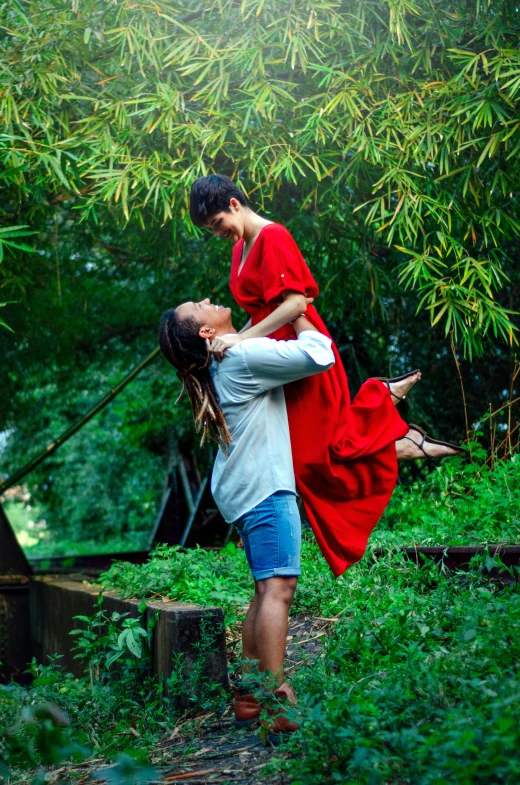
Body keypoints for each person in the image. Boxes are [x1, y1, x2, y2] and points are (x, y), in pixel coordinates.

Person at [158, 296, 463, 744]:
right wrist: (297, 310)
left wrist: (269, 306)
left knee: (264, 590)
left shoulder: (226, 357)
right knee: (278, 589)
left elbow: (260, 326)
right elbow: (319, 353)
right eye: (198, 306)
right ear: (206, 333)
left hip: (240, 487)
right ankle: (277, 701)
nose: (207, 299)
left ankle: (247, 695)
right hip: (263, 488)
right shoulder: (240, 354)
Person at [189, 175, 462, 579]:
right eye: (211, 230)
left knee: (313, 458)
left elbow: (297, 302)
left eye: (216, 224)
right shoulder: (240, 249)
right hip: (274, 358)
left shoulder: (273, 237)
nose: (218, 233)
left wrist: (241, 340)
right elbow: (261, 310)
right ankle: (392, 426)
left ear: (233, 203)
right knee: (307, 458)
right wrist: (231, 342)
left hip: (302, 349)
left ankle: (386, 415)